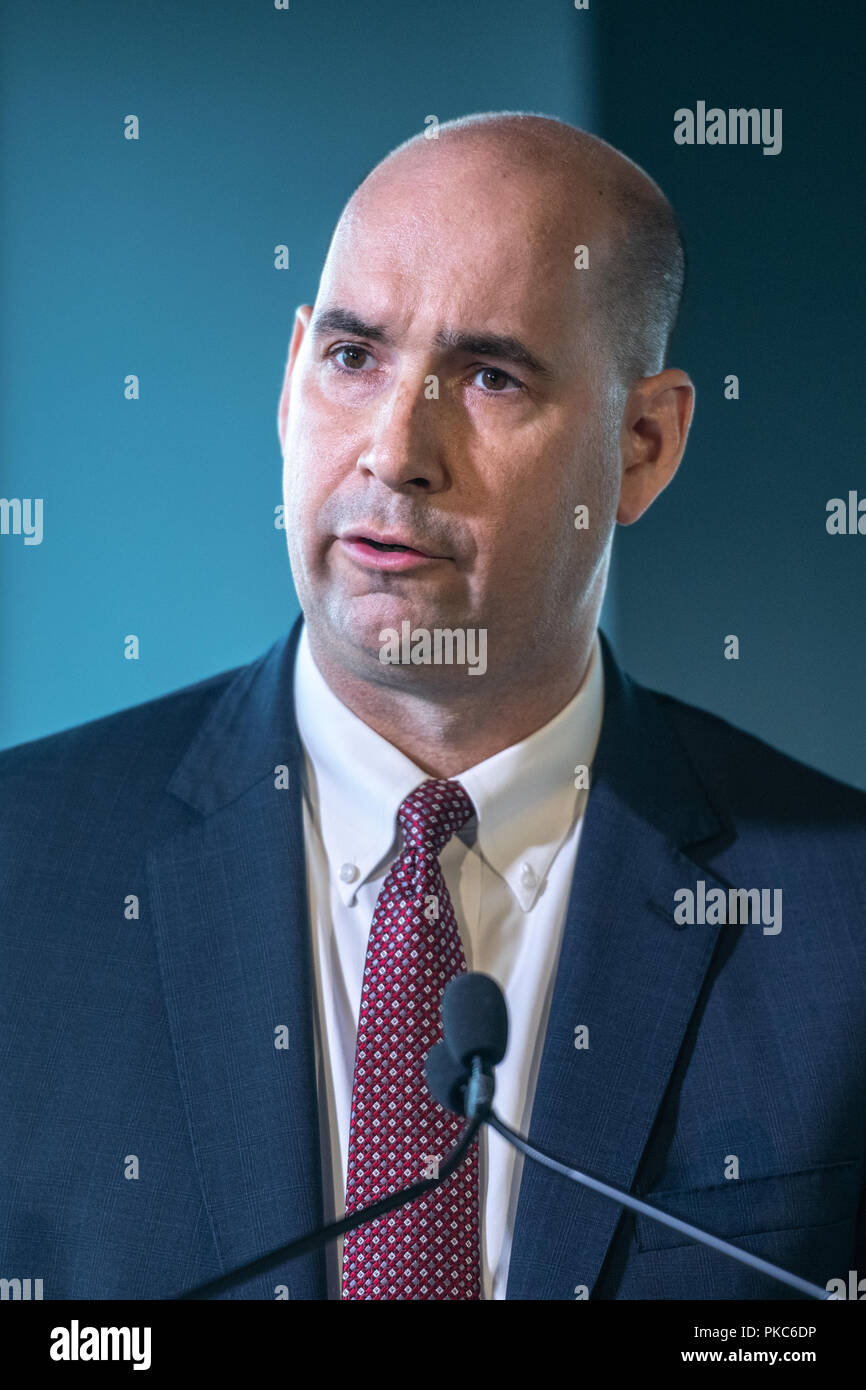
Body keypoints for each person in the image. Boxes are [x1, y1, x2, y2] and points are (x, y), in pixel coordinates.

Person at [1, 112, 864, 1301]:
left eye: (490, 376)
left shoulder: (839, 919)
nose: (394, 450)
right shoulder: (21, 867)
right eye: (352, 357)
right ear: (291, 373)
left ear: (643, 445)